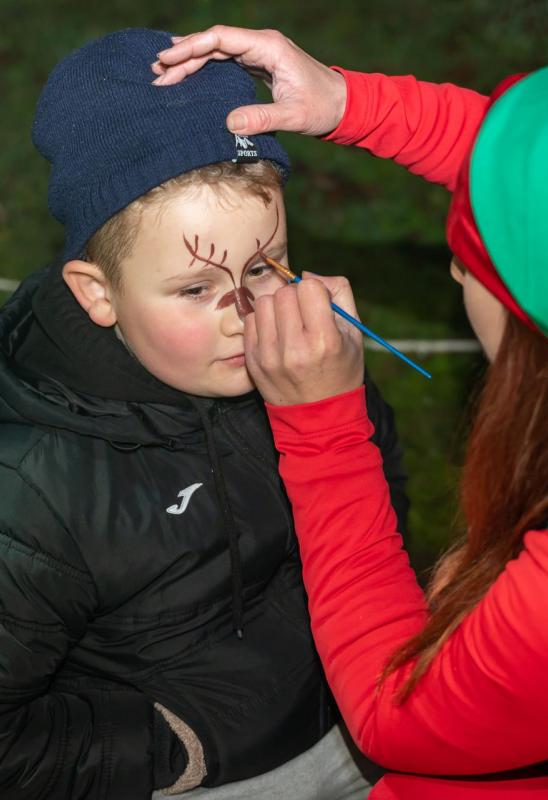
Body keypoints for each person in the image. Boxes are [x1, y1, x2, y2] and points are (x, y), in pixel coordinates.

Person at [154, 27, 548, 800]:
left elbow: (396, 716)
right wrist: (350, 104)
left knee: (423, 786)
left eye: (471, 259)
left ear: (534, 315)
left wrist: (323, 426)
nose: (456, 262)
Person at [0, 28, 409, 800]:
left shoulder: (295, 360)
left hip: (361, 719)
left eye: (265, 267)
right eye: (195, 289)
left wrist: (338, 407)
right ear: (97, 293)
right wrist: (165, 752)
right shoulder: (32, 480)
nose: (244, 312)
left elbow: (378, 509)